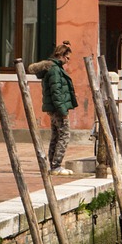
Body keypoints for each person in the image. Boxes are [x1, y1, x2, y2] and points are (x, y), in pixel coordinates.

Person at [29, 42, 78, 174]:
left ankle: (54, 165)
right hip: (58, 109)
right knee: (64, 135)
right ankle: (56, 165)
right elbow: (56, 92)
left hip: (54, 108)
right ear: (60, 55)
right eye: (67, 58)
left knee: (56, 136)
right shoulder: (55, 70)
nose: (68, 61)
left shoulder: (54, 69)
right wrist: (63, 111)